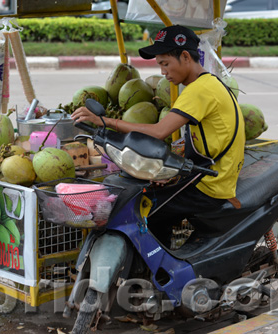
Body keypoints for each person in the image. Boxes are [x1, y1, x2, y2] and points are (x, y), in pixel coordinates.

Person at [71, 25, 245, 246]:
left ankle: (161, 271)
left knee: (148, 211)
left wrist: (106, 121)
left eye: (165, 64)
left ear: (185, 57)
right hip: (209, 174)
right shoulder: (208, 83)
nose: (163, 72)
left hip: (210, 185)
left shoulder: (199, 90)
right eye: (160, 65)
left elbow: (159, 131)